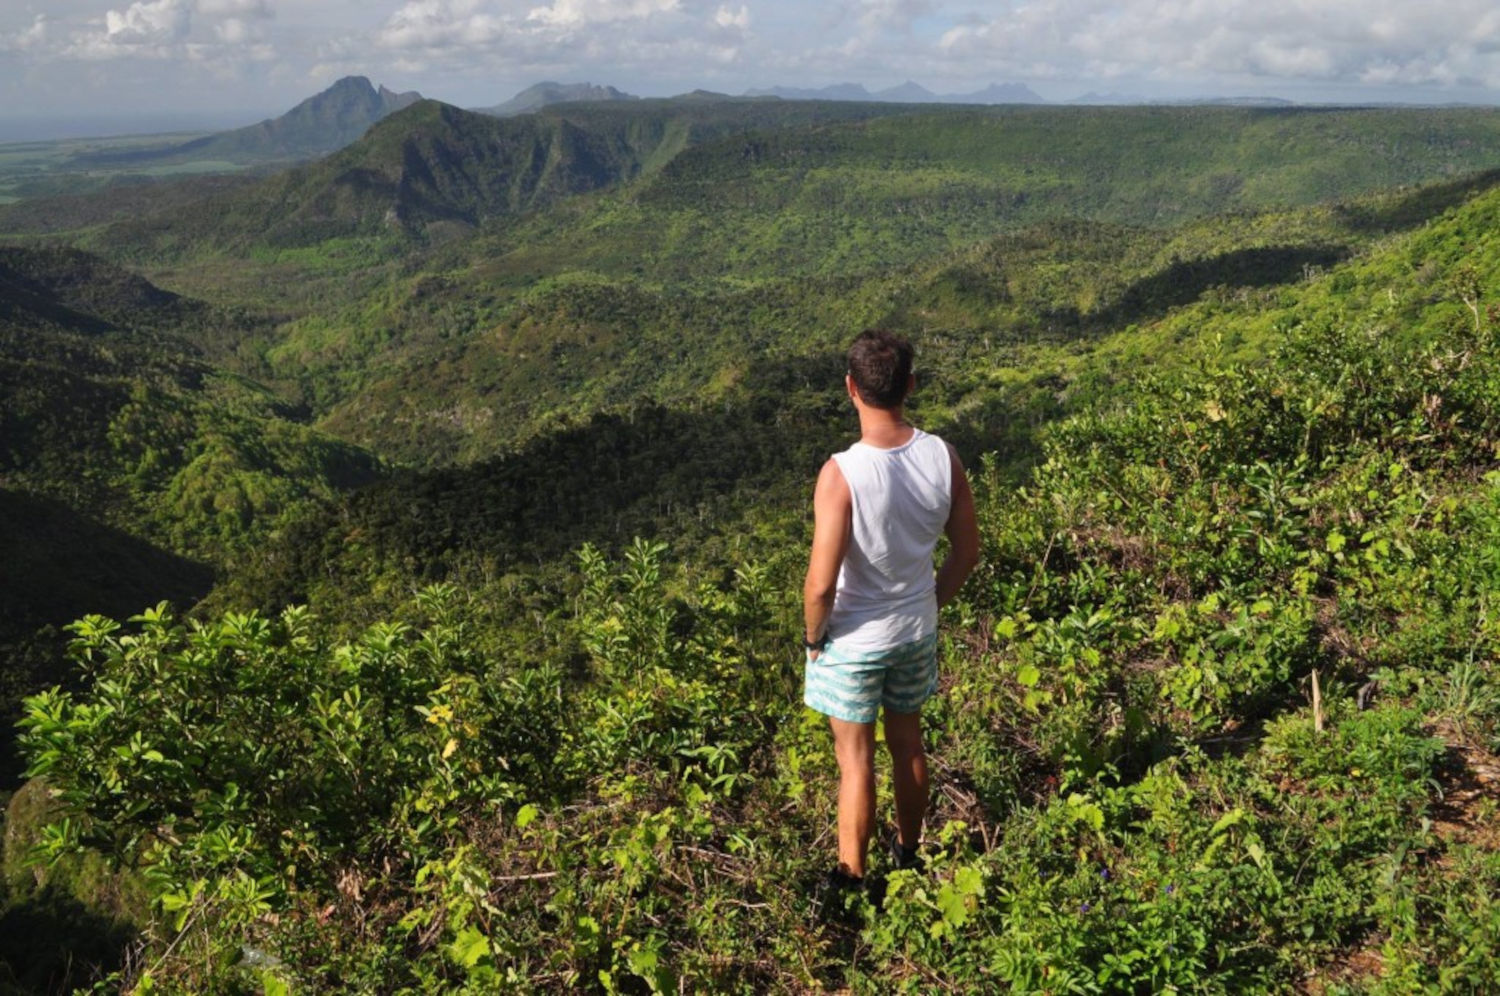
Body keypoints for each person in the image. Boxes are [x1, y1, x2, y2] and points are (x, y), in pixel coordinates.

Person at [803, 329, 980, 889]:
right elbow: (967, 551)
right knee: (908, 745)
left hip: (853, 642)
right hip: (914, 630)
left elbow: (819, 587)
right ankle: (908, 855)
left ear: (851, 388)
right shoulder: (942, 456)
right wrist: (928, 604)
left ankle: (853, 881)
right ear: (910, 384)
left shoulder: (841, 474)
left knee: (856, 763)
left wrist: (813, 640)